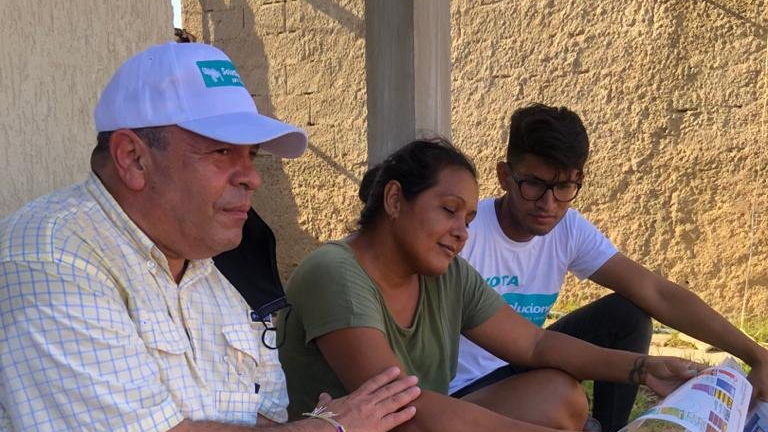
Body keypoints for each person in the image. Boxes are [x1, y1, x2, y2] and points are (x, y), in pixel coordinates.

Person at [0, 42, 420, 432]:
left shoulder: (216, 272)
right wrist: (328, 428)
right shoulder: (50, 255)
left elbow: (262, 419)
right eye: (221, 151)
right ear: (133, 158)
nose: (252, 177)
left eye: (251, 155)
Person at [278, 139, 706, 432]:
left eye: (468, 220)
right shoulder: (334, 273)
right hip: (384, 425)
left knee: (559, 397)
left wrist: (645, 368)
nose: (461, 232)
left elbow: (535, 344)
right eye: (449, 210)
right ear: (394, 200)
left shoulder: (445, 274)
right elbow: (401, 410)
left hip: (422, 417)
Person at [450, 103, 768, 432]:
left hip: (528, 356)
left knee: (627, 314)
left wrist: (756, 354)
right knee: (562, 400)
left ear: (579, 180)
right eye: (533, 184)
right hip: (465, 390)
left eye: (564, 187)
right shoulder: (463, 233)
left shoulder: (568, 228)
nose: (548, 204)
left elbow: (656, 292)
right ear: (505, 175)